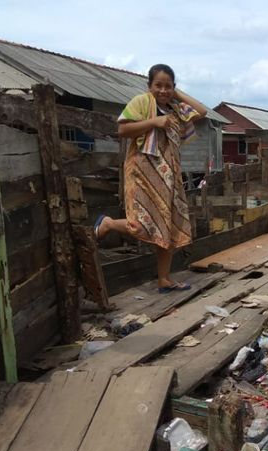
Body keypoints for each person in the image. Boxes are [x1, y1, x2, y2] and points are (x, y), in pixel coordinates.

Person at [95, 64, 207, 293]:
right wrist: (154, 122)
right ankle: (108, 223)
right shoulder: (142, 102)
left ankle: (164, 279)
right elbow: (123, 130)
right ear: (149, 86)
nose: (163, 90)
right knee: (141, 224)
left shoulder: (176, 109)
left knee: (169, 227)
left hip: (169, 176)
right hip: (143, 172)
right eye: (158, 85)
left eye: (168, 86)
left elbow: (202, 112)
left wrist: (176, 94)